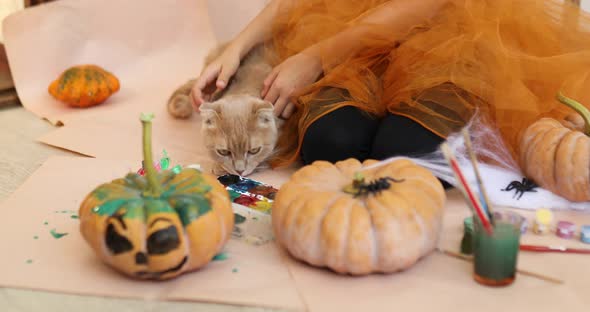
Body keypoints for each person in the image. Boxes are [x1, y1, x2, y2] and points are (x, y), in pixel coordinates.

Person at [191, 0, 590, 172]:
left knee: (405, 153)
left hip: (447, 33)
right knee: (330, 145)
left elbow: (417, 7)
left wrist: (314, 58)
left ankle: (467, 110)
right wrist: (239, 47)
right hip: (350, 28)